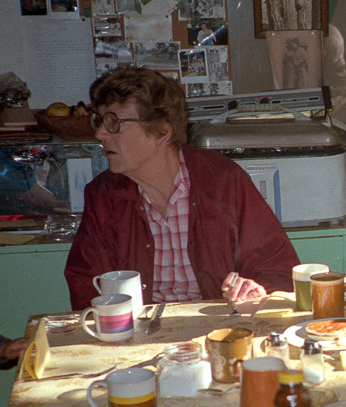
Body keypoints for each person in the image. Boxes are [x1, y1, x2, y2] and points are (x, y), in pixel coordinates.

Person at [65, 67, 299, 310]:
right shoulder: (104, 196)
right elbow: (85, 283)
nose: (100, 133)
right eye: (101, 121)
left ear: (162, 133)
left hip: (216, 331)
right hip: (137, 335)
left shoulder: (224, 182)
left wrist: (257, 291)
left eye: (114, 123)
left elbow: (278, 272)